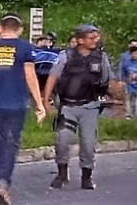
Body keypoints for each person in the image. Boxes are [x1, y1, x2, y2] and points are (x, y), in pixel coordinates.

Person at [0, 13, 47, 205]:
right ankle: (3, 182)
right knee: (10, 146)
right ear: (20, 30)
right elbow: (30, 76)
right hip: (15, 105)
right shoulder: (25, 48)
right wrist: (39, 104)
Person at [44, 22, 114, 189]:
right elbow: (53, 77)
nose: (95, 40)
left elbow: (108, 80)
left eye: (96, 37)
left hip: (90, 107)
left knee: (88, 144)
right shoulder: (66, 56)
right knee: (62, 141)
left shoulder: (101, 57)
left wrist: (114, 95)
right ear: (80, 40)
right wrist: (46, 100)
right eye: (91, 37)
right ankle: (61, 174)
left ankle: (87, 176)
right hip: (67, 107)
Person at [118, 40, 137, 119]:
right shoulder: (126, 60)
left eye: (136, 53)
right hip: (129, 85)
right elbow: (122, 70)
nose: (134, 55)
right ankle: (129, 116)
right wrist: (121, 80)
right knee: (129, 102)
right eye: (132, 53)